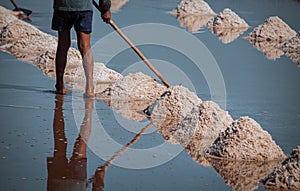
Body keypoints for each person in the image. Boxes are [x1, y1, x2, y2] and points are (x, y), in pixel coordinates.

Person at [51, 0, 111, 97]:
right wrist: (105, 8)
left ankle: (60, 85)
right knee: (85, 46)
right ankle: (90, 88)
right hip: (83, 7)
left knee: (63, 45)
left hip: (62, 6)